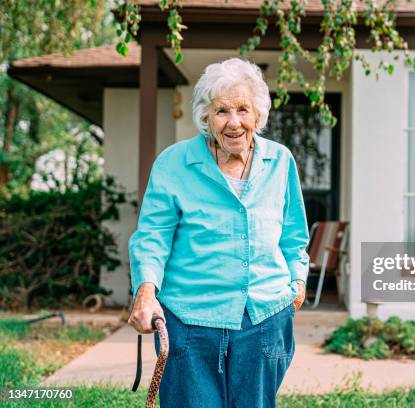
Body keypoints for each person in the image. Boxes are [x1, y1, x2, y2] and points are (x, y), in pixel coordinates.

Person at [127, 57, 309, 407]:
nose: (234, 122)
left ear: (258, 115)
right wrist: (146, 293)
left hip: (265, 319)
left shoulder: (281, 162)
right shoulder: (173, 163)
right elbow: (153, 236)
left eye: (244, 109)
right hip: (190, 322)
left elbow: (294, 237)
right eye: (222, 111)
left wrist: (297, 286)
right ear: (206, 118)